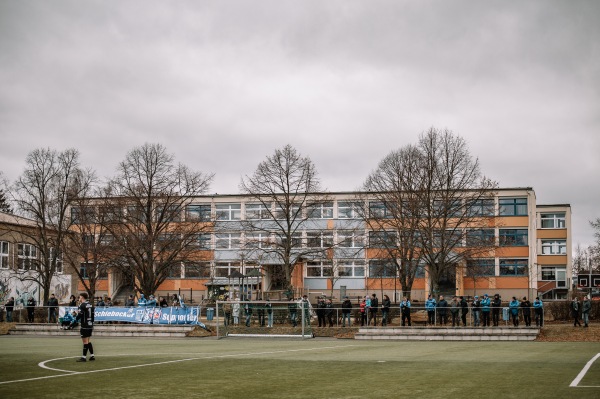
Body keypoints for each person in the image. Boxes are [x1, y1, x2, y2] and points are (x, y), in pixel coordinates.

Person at [72, 292, 95, 362]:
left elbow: (80, 315)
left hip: (84, 325)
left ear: (82, 297)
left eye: (79, 297)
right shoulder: (90, 304)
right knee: (88, 341)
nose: (79, 298)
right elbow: (93, 315)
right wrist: (92, 323)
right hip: (90, 325)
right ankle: (92, 356)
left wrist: (74, 321)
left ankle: (84, 357)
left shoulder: (82, 305)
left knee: (85, 342)